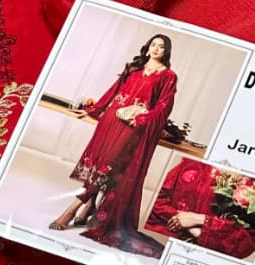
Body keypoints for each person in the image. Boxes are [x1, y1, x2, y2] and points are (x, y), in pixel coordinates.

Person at [47, 34, 177, 236]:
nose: (156, 49)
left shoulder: (168, 76)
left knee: (110, 165)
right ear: (148, 46)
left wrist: (143, 119)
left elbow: (163, 106)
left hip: (133, 126)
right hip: (111, 120)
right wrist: (94, 110)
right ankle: (89, 206)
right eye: (154, 44)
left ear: (166, 51)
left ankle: (72, 209)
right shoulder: (134, 67)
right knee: (100, 163)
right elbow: (113, 90)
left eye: (161, 46)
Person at [144, 159, 255, 259]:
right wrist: (185, 223)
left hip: (210, 258)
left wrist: (200, 222)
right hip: (165, 244)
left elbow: (248, 242)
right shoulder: (191, 164)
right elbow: (157, 203)